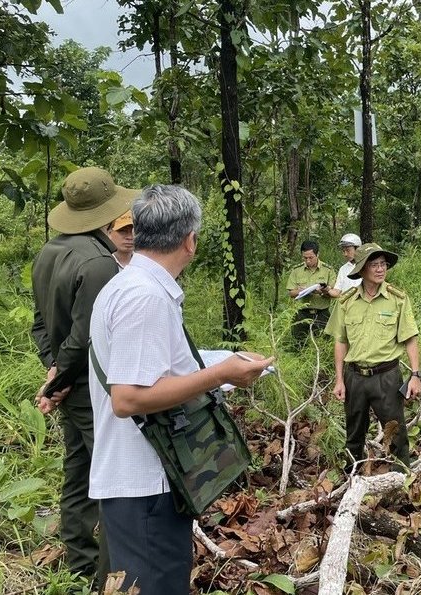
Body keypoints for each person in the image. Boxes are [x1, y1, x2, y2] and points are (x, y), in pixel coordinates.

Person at [88, 184, 274, 594]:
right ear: (190, 240)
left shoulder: (132, 286)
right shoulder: (144, 297)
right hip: (144, 483)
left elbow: (156, 365)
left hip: (151, 480)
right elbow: (129, 398)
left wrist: (223, 360)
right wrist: (219, 373)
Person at [30, 166, 138, 582]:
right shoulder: (99, 264)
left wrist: (53, 372)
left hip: (70, 383)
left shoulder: (49, 252)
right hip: (90, 388)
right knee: (112, 479)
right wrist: (60, 380)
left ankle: (78, 565)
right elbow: (85, 337)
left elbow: (40, 324)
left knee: (78, 472)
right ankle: (109, 577)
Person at [326, 243, 421, 473]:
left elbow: (410, 339)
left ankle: (401, 482)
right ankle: (350, 480)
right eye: (374, 264)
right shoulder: (347, 301)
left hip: (387, 377)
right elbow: (340, 341)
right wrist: (339, 379)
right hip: (355, 377)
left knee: (397, 435)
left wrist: (415, 375)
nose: (380, 269)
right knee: (354, 435)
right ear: (361, 269)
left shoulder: (397, 299)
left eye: (383, 264)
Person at [286, 240, 337, 345]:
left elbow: (334, 293)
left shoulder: (328, 270)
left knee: (323, 343)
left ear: (317, 254)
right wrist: (301, 291)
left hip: (322, 313)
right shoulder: (296, 270)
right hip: (302, 314)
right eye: (305, 258)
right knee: (299, 344)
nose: (308, 261)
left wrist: (323, 291)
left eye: (311, 257)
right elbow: (291, 293)